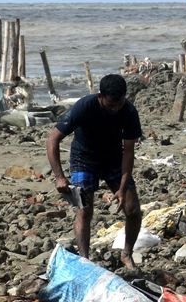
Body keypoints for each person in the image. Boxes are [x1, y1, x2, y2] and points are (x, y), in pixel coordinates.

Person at [46, 74, 143, 270]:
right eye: (110, 105)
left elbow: (129, 152)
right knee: (85, 209)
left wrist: (122, 189)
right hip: (84, 159)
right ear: (100, 96)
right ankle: (85, 260)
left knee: (133, 210)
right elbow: (52, 140)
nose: (115, 109)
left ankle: (127, 254)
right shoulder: (84, 106)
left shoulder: (129, 111)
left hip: (113, 159)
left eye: (119, 104)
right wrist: (59, 177)